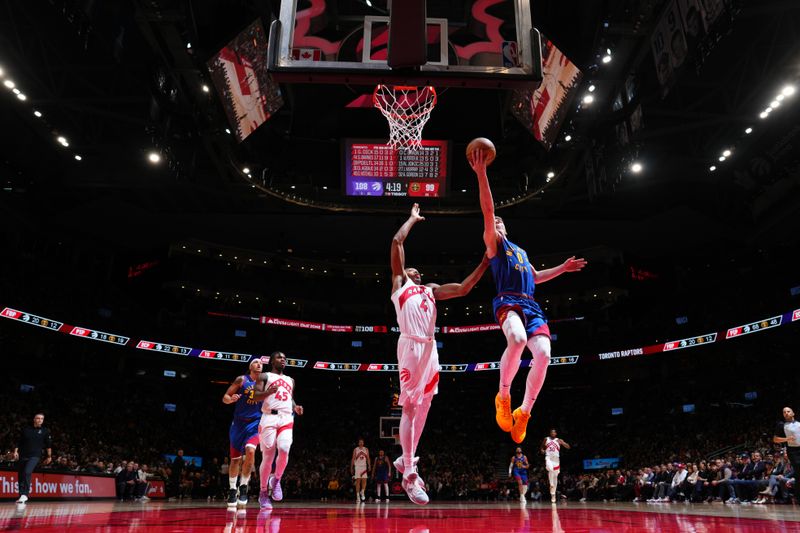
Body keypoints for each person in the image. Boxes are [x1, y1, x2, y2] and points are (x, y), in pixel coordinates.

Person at [470, 150, 587, 443]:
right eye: (492, 222)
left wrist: (564, 268)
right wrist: (481, 172)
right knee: (518, 340)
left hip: (531, 304)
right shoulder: (494, 245)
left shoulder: (520, 251)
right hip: (508, 301)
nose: (495, 222)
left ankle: (524, 412)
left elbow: (535, 277)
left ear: (506, 226)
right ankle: (504, 396)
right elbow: (487, 209)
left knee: (545, 356)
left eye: (499, 221)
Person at [390, 203, 490, 505]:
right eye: (410, 269)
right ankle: (409, 473)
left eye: (417, 270)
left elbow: (462, 289)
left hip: (431, 347)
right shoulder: (399, 285)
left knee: (426, 404)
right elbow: (397, 242)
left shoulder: (431, 290)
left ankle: (405, 461)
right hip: (410, 345)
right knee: (409, 406)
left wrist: (485, 261)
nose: (414, 271)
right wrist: (411, 220)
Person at [255, 351, 304, 508]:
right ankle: (263, 492)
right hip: (268, 417)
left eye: (284, 358)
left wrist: (295, 407)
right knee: (268, 458)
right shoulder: (264, 376)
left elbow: (289, 398)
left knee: (284, 449)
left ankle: (276, 480)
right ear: (271, 361)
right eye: (279, 357)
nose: (283, 359)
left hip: (286, 417)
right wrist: (268, 392)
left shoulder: (291, 380)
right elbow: (255, 396)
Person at [222, 358, 265, 508]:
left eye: (261, 362)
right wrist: (231, 400)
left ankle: (244, 486)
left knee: (251, 452)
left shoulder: (266, 382)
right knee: (235, 460)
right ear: (250, 366)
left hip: (255, 423)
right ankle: (233, 489)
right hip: (238, 423)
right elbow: (225, 398)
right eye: (255, 362)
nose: (259, 364)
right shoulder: (241, 379)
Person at [13, 413, 52, 504]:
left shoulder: (45, 431)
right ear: (34, 419)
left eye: (42, 419)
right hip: (23, 455)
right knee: (21, 475)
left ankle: (25, 494)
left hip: (35, 456)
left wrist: (49, 456)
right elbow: (18, 442)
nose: (40, 420)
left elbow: (48, 445)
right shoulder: (26, 430)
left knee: (27, 472)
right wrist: (15, 451)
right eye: (38, 418)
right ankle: (21, 496)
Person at [774, 406, 800, 502]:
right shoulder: (781, 425)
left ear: (793, 413)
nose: (786, 413)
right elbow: (775, 439)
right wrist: (787, 439)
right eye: (784, 412)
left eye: (788, 411)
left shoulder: (798, 423)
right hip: (793, 451)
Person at [541, 429, 571, 503]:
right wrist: (542, 450)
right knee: (550, 468)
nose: (552, 433)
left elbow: (568, 447)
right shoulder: (546, 439)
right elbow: (542, 447)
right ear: (550, 433)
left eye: (554, 432)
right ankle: (551, 484)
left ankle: (553, 494)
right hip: (548, 457)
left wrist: (563, 443)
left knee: (555, 477)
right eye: (551, 432)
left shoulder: (559, 440)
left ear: (556, 433)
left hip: (556, 460)